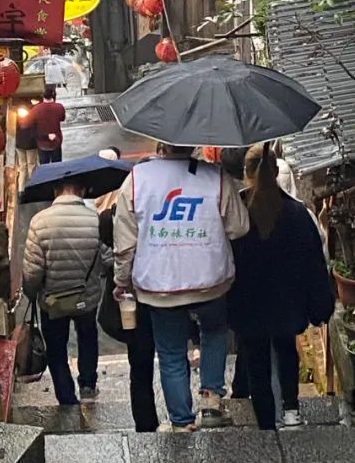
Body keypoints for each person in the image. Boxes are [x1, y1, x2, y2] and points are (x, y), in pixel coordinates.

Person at [114, 142, 249, 432]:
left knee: (171, 352)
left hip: (159, 283)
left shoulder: (137, 179)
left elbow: (124, 243)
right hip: (210, 279)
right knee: (214, 331)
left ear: (161, 144)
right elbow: (239, 227)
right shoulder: (216, 177)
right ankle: (211, 401)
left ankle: (181, 421)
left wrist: (121, 280)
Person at [228, 143, 334, 431]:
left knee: (256, 359)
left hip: (247, 300)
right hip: (287, 300)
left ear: (246, 172)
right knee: (286, 348)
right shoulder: (297, 213)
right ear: (276, 171)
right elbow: (313, 263)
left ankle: (266, 423)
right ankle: (291, 410)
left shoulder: (237, 210)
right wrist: (320, 305)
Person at [22, 178, 103, 406]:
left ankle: (66, 396)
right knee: (88, 337)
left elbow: (32, 271)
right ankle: (88, 384)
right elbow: (107, 259)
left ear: (55, 191)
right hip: (86, 298)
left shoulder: (40, 222)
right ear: (82, 190)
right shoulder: (95, 219)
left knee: (56, 347)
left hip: (53, 300)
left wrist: (31, 292)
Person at [98, 187, 159, 432]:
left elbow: (113, 248)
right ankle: (180, 417)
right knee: (173, 356)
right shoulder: (161, 209)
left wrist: (121, 282)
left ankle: (145, 423)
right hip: (163, 291)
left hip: (132, 297)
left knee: (140, 364)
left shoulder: (110, 216)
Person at [33, 85, 66, 164]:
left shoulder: (36, 109)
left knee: (44, 167)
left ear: (43, 96)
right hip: (56, 141)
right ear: (53, 96)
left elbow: (27, 122)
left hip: (42, 143)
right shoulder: (59, 107)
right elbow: (62, 118)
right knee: (57, 166)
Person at [15, 99, 39, 188]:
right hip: (31, 144)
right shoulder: (33, 116)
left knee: (22, 167)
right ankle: (32, 187)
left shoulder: (17, 117)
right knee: (31, 165)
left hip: (19, 144)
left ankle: (21, 189)